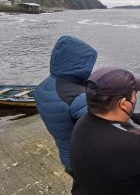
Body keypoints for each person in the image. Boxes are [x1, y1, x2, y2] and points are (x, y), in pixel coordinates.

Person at [70, 67, 140, 195]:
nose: (135, 98)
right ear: (123, 104)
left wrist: (133, 117)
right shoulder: (136, 143)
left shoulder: (81, 124)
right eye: (135, 94)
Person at [35, 35, 97, 194]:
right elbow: (101, 127)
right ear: (78, 63)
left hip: (67, 155)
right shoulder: (76, 97)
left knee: (79, 186)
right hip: (87, 161)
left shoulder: (42, 88)